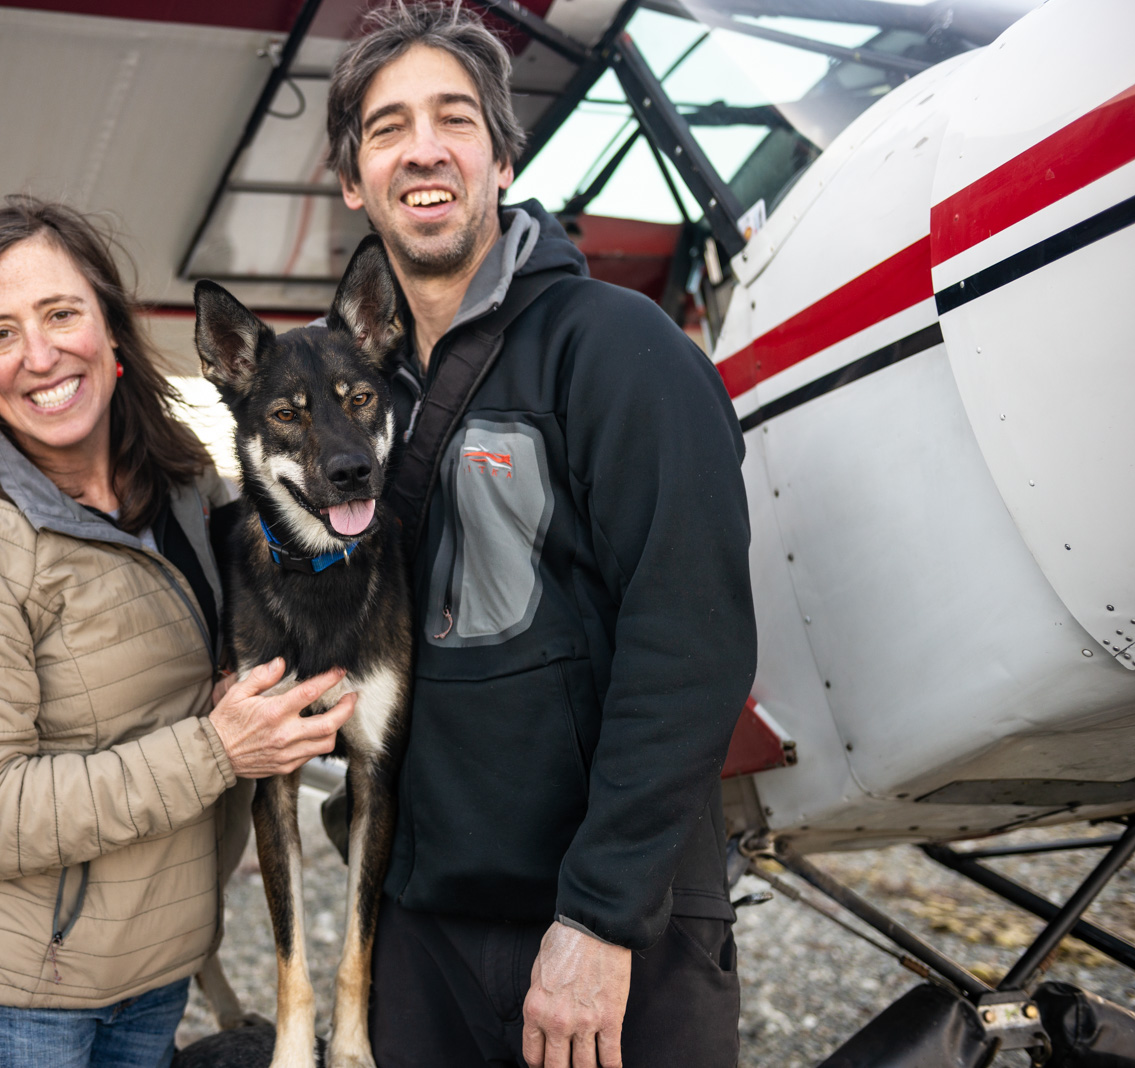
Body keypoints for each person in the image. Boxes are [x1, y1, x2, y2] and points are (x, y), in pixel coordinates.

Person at [323, 7, 757, 1068]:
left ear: (502, 157)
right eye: (385, 129)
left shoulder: (617, 347)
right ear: (352, 182)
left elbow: (690, 642)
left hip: (603, 932)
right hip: (419, 927)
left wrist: (601, 918)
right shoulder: (362, 408)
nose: (421, 147)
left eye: (453, 119)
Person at [0, 196, 356, 1068]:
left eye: (61, 314)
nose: (42, 355)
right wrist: (216, 749)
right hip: (0, 1013)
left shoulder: (186, 491)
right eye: (1, 334)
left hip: (149, 985)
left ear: (110, 328)